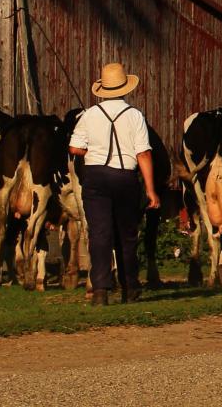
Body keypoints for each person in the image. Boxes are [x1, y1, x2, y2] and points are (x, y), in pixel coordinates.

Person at [68, 62, 161, 306]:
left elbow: (74, 148)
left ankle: (100, 290)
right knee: (126, 235)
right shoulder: (135, 115)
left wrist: (92, 148)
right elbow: (143, 154)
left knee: (99, 234)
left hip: (95, 178)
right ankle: (130, 287)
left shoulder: (89, 115)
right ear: (124, 88)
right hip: (124, 178)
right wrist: (151, 190)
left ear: (102, 89)